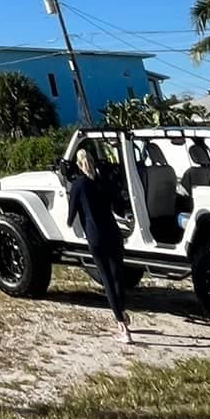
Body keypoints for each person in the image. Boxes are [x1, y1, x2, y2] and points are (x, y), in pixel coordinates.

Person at [67, 145, 133, 346]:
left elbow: (71, 215)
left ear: (78, 165)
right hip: (113, 232)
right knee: (117, 275)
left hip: (96, 237)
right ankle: (122, 311)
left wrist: (71, 224)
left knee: (106, 279)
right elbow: (118, 206)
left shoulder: (79, 185)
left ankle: (122, 326)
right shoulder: (103, 181)